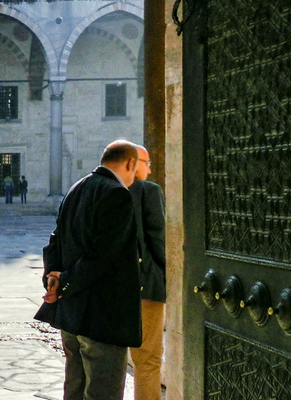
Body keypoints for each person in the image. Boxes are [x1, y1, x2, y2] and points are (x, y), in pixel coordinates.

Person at [42, 140, 142, 400]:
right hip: (102, 317)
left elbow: (55, 242)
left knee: (74, 388)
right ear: (130, 163)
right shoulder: (116, 194)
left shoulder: (77, 188)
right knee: (103, 392)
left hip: (72, 315)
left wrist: (53, 277)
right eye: (142, 166)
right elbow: (101, 257)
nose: (145, 173)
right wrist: (62, 282)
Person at [129, 146, 166, 400]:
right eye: (147, 162)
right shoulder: (147, 191)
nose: (150, 169)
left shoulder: (91, 188)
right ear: (132, 163)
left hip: (107, 289)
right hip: (145, 285)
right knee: (148, 359)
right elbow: (158, 239)